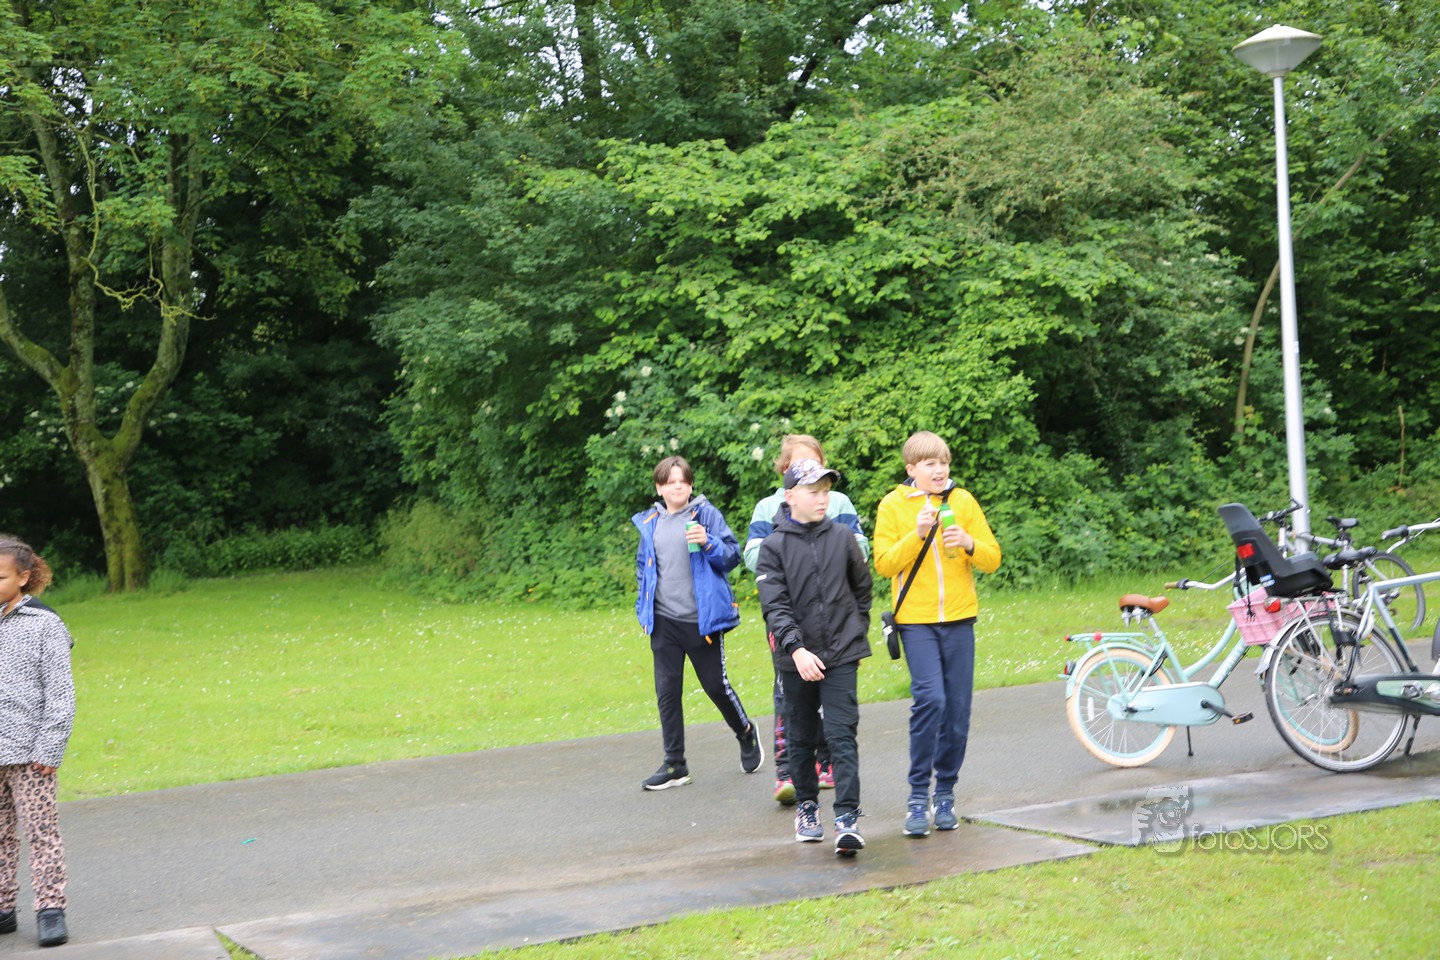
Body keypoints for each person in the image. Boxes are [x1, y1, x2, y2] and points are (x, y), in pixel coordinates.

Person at [872, 432, 1001, 838]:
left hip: (960, 619)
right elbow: (883, 565)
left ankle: (944, 793)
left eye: (943, 462)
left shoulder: (963, 501)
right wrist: (916, 534)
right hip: (916, 622)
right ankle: (916, 796)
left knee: (958, 712)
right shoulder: (892, 505)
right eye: (930, 463)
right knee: (931, 700)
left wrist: (968, 542)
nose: (940, 469)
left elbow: (993, 559)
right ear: (911, 469)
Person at [743, 435, 869, 805]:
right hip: (790, 630)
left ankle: (827, 766)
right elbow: (756, 561)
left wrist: (856, 631)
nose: (820, 494)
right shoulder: (768, 510)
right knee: (791, 702)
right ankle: (788, 772)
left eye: (819, 469)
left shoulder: (838, 505)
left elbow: (859, 561)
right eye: (803, 469)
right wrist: (792, 552)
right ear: (787, 474)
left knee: (838, 710)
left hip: (837, 627)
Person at [633, 456, 763, 790]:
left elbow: (731, 557)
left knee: (716, 686)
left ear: (690, 485)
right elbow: (643, 568)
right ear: (659, 487)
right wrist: (644, 610)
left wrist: (708, 541)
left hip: (701, 622)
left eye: (683, 481)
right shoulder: (651, 522)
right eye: (670, 481)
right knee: (667, 692)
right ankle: (675, 764)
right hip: (664, 622)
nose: (677, 486)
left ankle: (745, 732)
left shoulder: (705, 515)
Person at [0, 537, 75, 948]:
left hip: (31, 754)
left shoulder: (45, 624)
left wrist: (51, 747)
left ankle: (50, 908)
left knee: (41, 832)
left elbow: (61, 693)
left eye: (0, 577)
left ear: (23, 577)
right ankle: (3, 907)